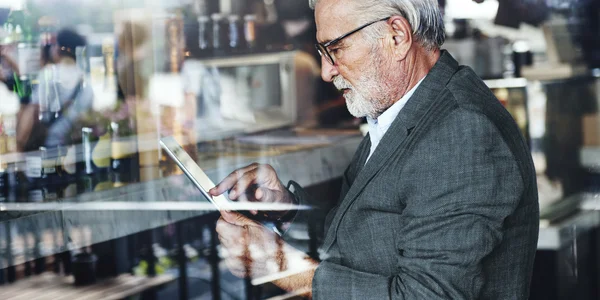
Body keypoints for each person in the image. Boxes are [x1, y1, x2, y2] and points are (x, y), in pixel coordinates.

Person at [210, 0, 539, 299]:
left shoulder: (460, 131)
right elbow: (369, 238)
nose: (326, 72)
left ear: (396, 35)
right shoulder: (407, 107)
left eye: (336, 48)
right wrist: (287, 211)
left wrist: (278, 264)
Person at [18, 28, 93, 150]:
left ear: (58, 48)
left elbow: (33, 112)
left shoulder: (48, 75)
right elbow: (88, 120)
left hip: (47, 146)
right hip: (74, 149)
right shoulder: (86, 83)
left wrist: (19, 146)